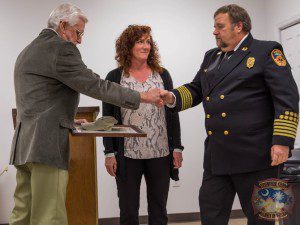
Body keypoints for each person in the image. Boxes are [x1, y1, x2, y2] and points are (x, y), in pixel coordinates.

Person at [9, 4, 162, 225]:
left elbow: (38, 100)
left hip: (24, 146)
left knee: (22, 215)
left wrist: (66, 119)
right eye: (78, 32)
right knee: (48, 218)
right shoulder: (61, 48)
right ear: (63, 26)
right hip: (46, 147)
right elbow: (95, 85)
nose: (80, 40)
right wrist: (143, 97)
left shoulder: (29, 50)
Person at [160, 4, 299, 225]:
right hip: (217, 155)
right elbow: (197, 88)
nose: (214, 31)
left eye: (220, 26)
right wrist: (172, 97)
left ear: (238, 26)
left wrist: (282, 142)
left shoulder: (267, 51)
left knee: (264, 218)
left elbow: (287, 99)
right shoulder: (211, 56)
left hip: (259, 156)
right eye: (214, 27)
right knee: (211, 215)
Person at [102, 25, 184, 225]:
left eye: (148, 41)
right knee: (128, 210)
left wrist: (177, 147)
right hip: (127, 153)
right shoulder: (115, 77)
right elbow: (108, 118)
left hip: (160, 151)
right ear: (128, 46)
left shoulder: (162, 74)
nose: (145, 46)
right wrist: (109, 152)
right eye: (140, 41)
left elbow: (172, 114)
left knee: (159, 209)